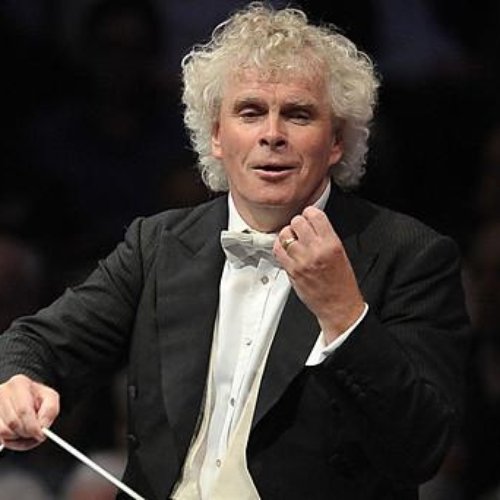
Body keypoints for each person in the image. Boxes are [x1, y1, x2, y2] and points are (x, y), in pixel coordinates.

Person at [0, 4, 469, 499]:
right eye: (250, 112)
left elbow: (421, 448)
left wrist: (344, 314)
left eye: (298, 114)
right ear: (218, 136)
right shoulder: (157, 244)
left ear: (335, 141)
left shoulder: (410, 256)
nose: (272, 134)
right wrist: (18, 379)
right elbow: (37, 343)